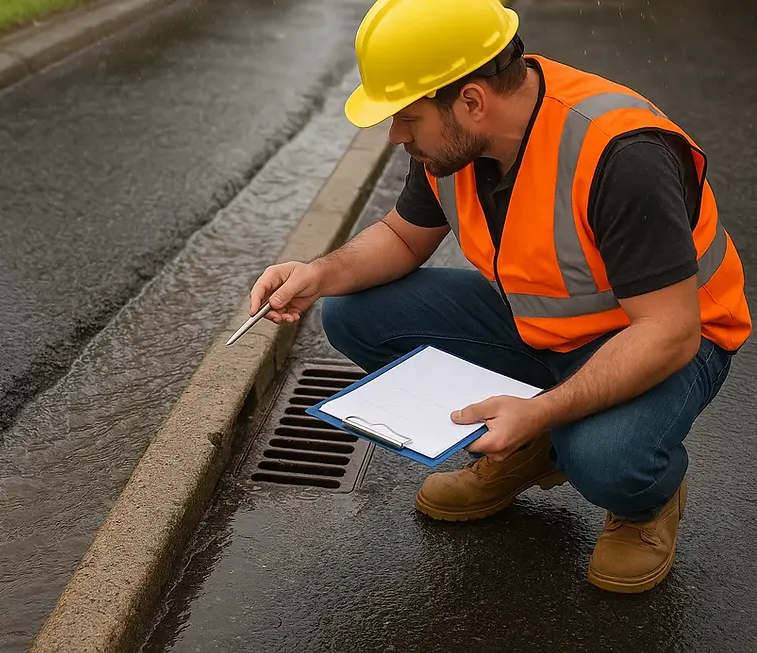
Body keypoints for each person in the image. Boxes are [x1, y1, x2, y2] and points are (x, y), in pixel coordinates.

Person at [245, 0, 751, 593]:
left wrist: (538, 410)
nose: (396, 137)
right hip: (547, 327)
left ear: (472, 101)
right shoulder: (458, 141)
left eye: (406, 117)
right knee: (355, 312)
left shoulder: (620, 154)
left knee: (604, 459)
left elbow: (669, 332)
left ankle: (645, 504)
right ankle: (530, 448)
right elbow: (401, 238)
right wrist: (317, 272)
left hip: (669, 342)